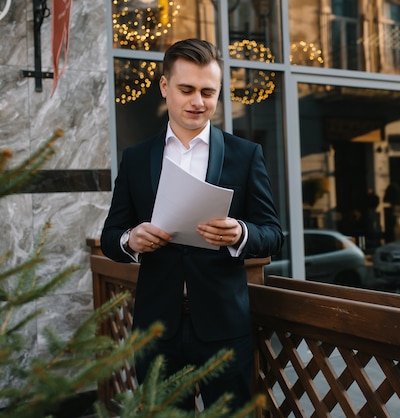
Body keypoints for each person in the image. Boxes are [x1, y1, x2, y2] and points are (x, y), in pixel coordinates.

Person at [100, 38, 284, 412]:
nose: (198, 102)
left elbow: (273, 234)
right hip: (156, 330)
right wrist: (131, 239)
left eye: (208, 92)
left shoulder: (246, 155)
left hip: (225, 330)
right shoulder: (136, 158)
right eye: (187, 89)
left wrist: (240, 233)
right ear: (165, 87)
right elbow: (109, 238)